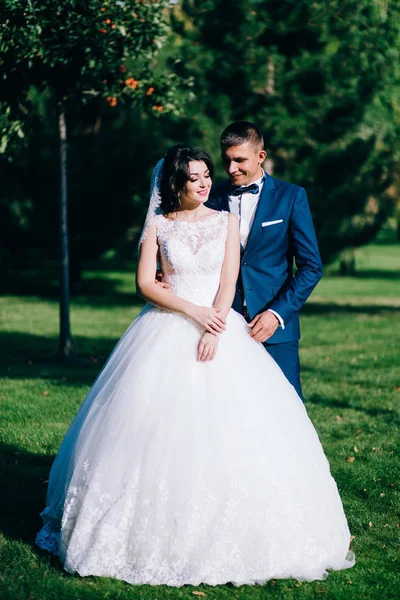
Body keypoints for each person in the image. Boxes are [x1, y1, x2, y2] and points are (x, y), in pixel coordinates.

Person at [36, 145, 354, 586]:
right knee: (150, 430)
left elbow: (228, 279)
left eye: (208, 175)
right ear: (174, 185)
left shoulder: (226, 219)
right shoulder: (159, 225)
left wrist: (214, 324)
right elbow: (146, 283)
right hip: (165, 329)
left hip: (222, 329)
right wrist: (192, 312)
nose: (207, 182)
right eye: (195, 178)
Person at [207, 122, 323, 399]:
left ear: (261, 157)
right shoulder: (211, 199)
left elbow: (311, 266)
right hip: (223, 325)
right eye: (226, 160)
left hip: (276, 331)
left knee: (285, 407)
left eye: (239, 160)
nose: (231, 168)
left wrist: (276, 314)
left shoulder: (292, 196)